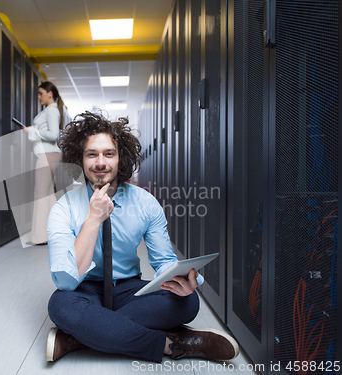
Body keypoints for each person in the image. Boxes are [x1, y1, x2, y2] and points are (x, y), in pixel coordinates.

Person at [45, 111, 239, 363]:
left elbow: (164, 263)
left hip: (128, 289)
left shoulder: (146, 203)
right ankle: (172, 344)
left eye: (109, 154)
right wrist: (93, 219)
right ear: (80, 160)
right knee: (60, 305)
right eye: (91, 154)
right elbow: (66, 281)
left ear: (120, 158)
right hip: (85, 289)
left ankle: (78, 337)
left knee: (187, 302)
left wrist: (184, 279)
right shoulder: (64, 207)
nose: (100, 162)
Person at [20, 81, 66, 245]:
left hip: (47, 154)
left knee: (40, 194)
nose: (39, 97)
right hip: (49, 154)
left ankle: (40, 237)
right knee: (47, 195)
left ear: (50, 94)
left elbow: (53, 135)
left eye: (41, 93)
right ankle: (56, 232)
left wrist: (31, 131)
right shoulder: (49, 111)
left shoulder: (51, 111)